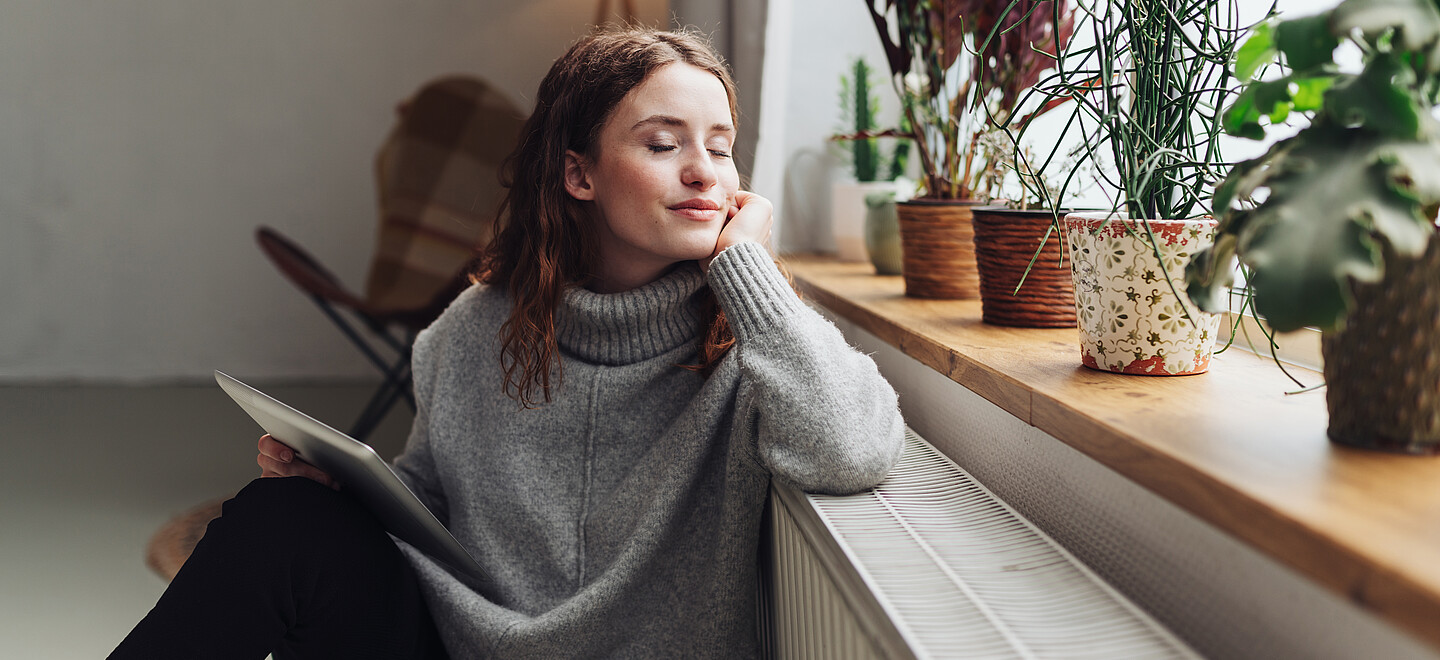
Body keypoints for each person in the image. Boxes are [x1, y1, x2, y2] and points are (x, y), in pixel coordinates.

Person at [112, 26, 904, 659]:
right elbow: (434, 498)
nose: (705, 172)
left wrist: (749, 270)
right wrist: (346, 493)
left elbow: (853, 450)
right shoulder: (474, 328)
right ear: (578, 174)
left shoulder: (757, 339)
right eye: (664, 145)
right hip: (457, 643)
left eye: (722, 146)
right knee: (280, 519)